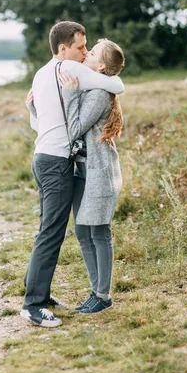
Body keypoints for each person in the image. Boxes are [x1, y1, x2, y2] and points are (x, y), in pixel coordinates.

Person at [20, 22, 124, 328]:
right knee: (51, 232)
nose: (84, 53)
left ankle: (41, 294)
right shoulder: (70, 71)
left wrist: (33, 109)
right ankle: (33, 304)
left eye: (88, 49)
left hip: (46, 158)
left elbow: (44, 124)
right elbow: (116, 86)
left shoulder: (42, 74)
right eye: (81, 47)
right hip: (56, 162)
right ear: (63, 49)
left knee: (51, 229)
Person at [58, 38, 125, 314]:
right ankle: (95, 290)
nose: (86, 53)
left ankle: (103, 295)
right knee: (83, 231)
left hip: (98, 173)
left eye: (93, 52)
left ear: (100, 66)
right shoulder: (95, 84)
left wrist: (71, 94)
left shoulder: (98, 94)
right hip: (83, 171)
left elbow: (73, 128)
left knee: (99, 232)